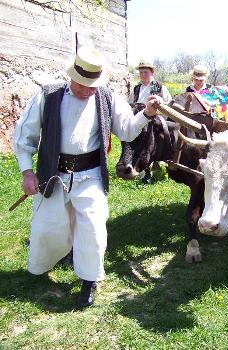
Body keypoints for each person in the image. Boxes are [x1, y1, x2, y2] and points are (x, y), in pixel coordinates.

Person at [13, 46, 164, 307]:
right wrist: (27, 171)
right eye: (83, 85)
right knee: (49, 228)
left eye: (92, 85)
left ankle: (89, 280)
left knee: (93, 229)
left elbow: (127, 131)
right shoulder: (48, 96)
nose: (88, 90)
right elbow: (24, 136)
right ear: (72, 77)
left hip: (91, 174)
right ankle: (47, 263)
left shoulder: (106, 97)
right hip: (54, 174)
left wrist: (147, 114)